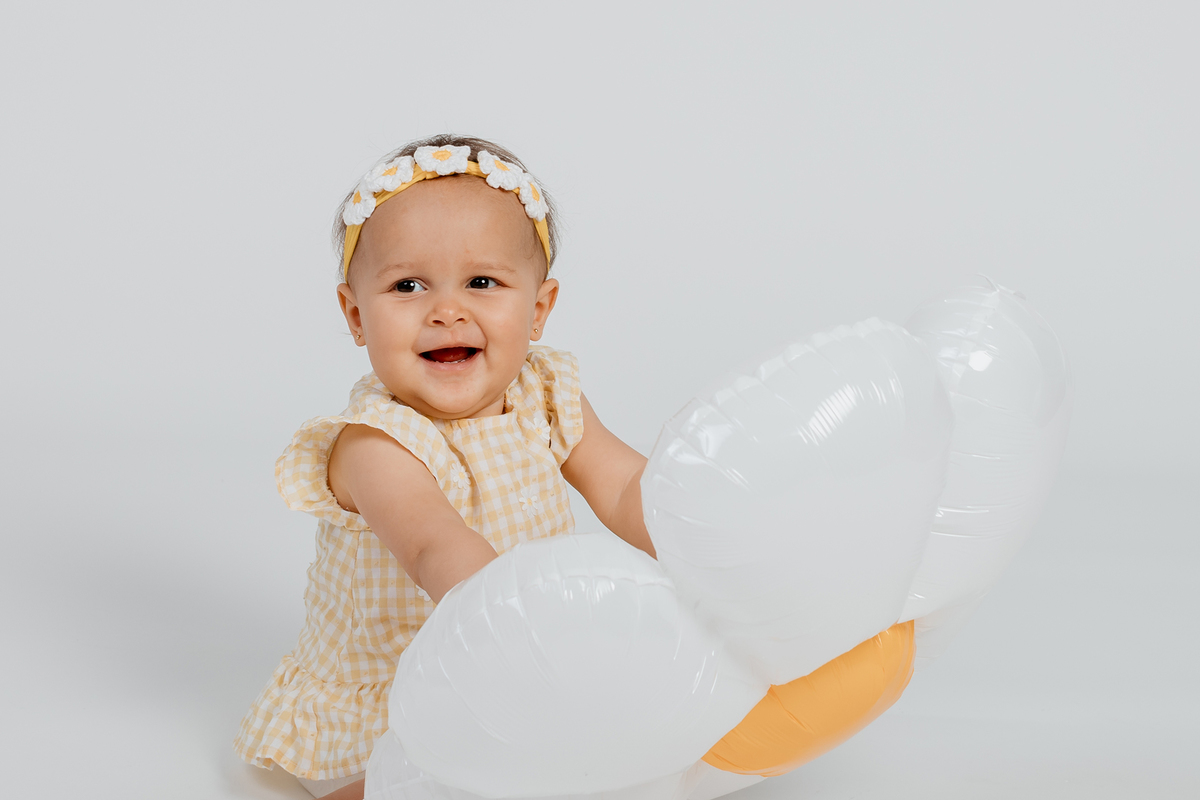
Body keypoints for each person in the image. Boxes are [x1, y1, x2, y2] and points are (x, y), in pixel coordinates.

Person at [232, 134, 656, 800]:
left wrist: (697, 541)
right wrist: (532, 634)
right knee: (433, 778)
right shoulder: (375, 443)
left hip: (526, 661)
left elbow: (624, 485)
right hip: (404, 692)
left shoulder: (547, 395)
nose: (447, 310)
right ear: (357, 316)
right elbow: (435, 546)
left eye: (482, 282)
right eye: (407, 285)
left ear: (538, 309)